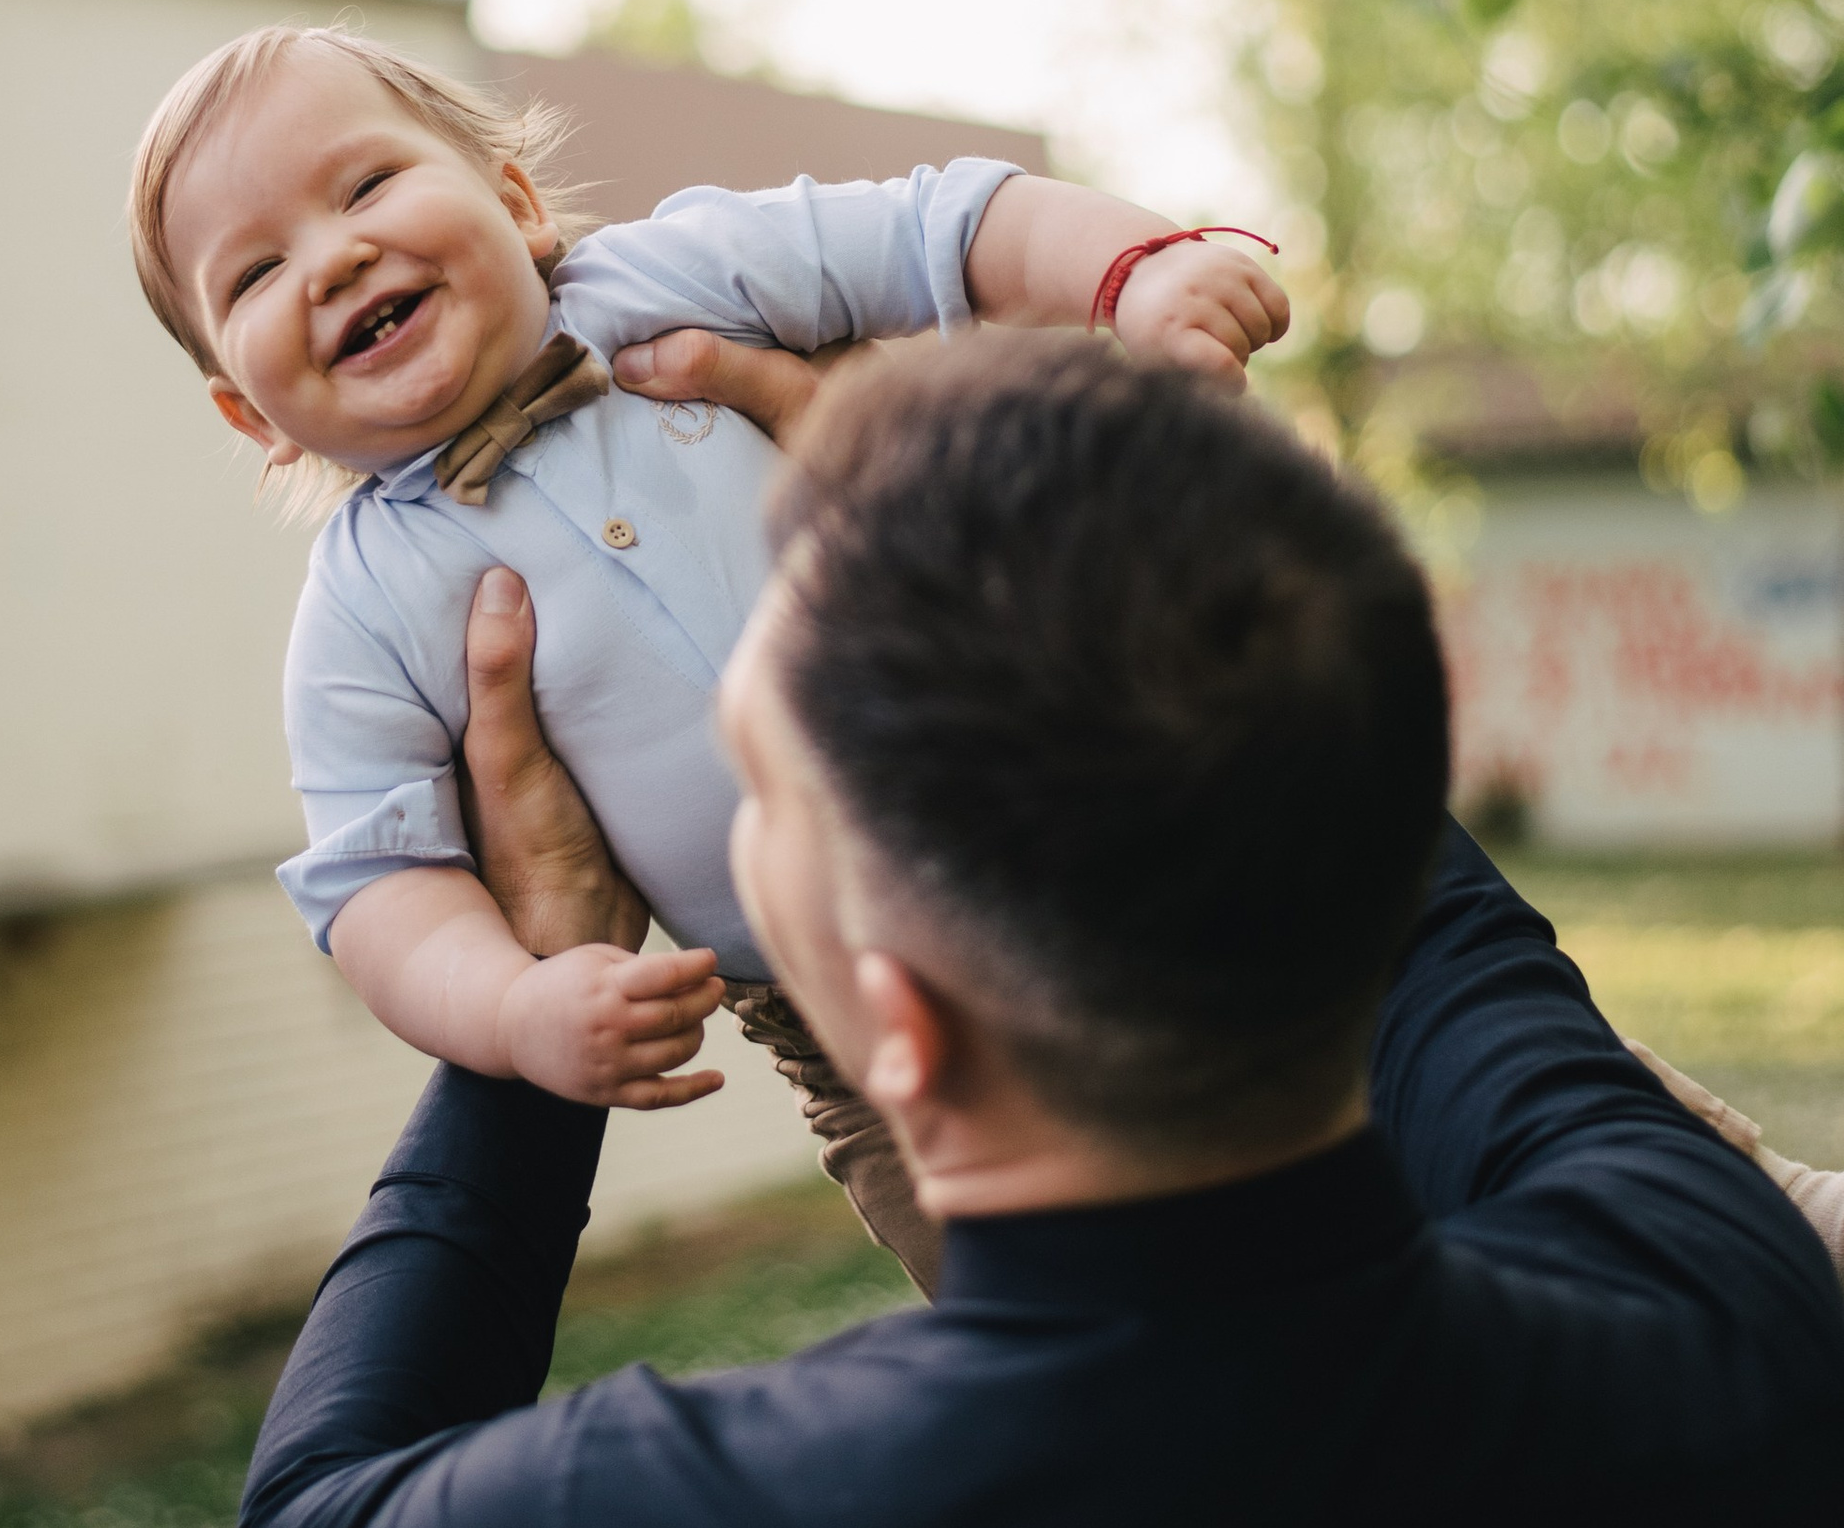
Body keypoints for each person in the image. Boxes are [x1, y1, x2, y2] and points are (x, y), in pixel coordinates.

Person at [236, 336, 1844, 1527]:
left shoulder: (760, 1493)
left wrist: (536, 1011)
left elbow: (318, 1502)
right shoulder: (1713, 1292)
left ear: (903, 1023)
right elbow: (1425, 911)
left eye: (758, 791)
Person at [127, 26, 1287, 1282]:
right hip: (853, 1035)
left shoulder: (675, 278)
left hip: (1084, 847)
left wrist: (1131, 272)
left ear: (515, 206)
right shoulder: (364, 607)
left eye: (366, 185)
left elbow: (937, 227)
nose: (333, 256)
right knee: (1054, 1327)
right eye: (255, 272)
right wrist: (511, 1006)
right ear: (247, 412)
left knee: (1298, 1168)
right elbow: (375, 886)